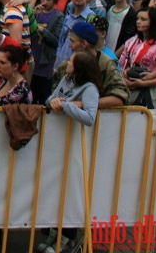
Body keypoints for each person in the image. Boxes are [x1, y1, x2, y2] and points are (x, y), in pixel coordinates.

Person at [40, 48, 102, 253]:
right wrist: (59, 102)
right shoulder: (66, 79)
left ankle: (66, 239)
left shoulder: (90, 89)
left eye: (71, 61)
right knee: (56, 189)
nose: (67, 62)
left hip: (76, 145)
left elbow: (90, 117)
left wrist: (67, 106)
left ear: (80, 68)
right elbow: (50, 100)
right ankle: (52, 233)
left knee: (72, 190)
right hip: (57, 143)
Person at [116, 8, 156, 109]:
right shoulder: (131, 42)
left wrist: (144, 83)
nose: (138, 21)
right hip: (128, 90)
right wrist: (124, 74)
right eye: (137, 18)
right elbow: (121, 64)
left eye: (143, 19)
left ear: (153, 22)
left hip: (149, 97)